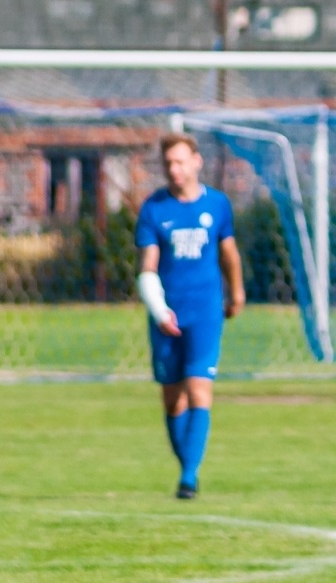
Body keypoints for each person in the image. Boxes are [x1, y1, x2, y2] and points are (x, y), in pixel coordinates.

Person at [134, 133, 245, 499]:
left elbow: (228, 252)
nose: (174, 169)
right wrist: (159, 310)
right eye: (168, 163)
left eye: (180, 161)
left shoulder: (217, 204)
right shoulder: (154, 209)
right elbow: (147, 267)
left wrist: (236, 291)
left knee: (199, 389)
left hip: (206, 311)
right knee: (173, 399)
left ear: (197, 161)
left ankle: (188, 477)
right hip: (167, 316)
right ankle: (188, 466)